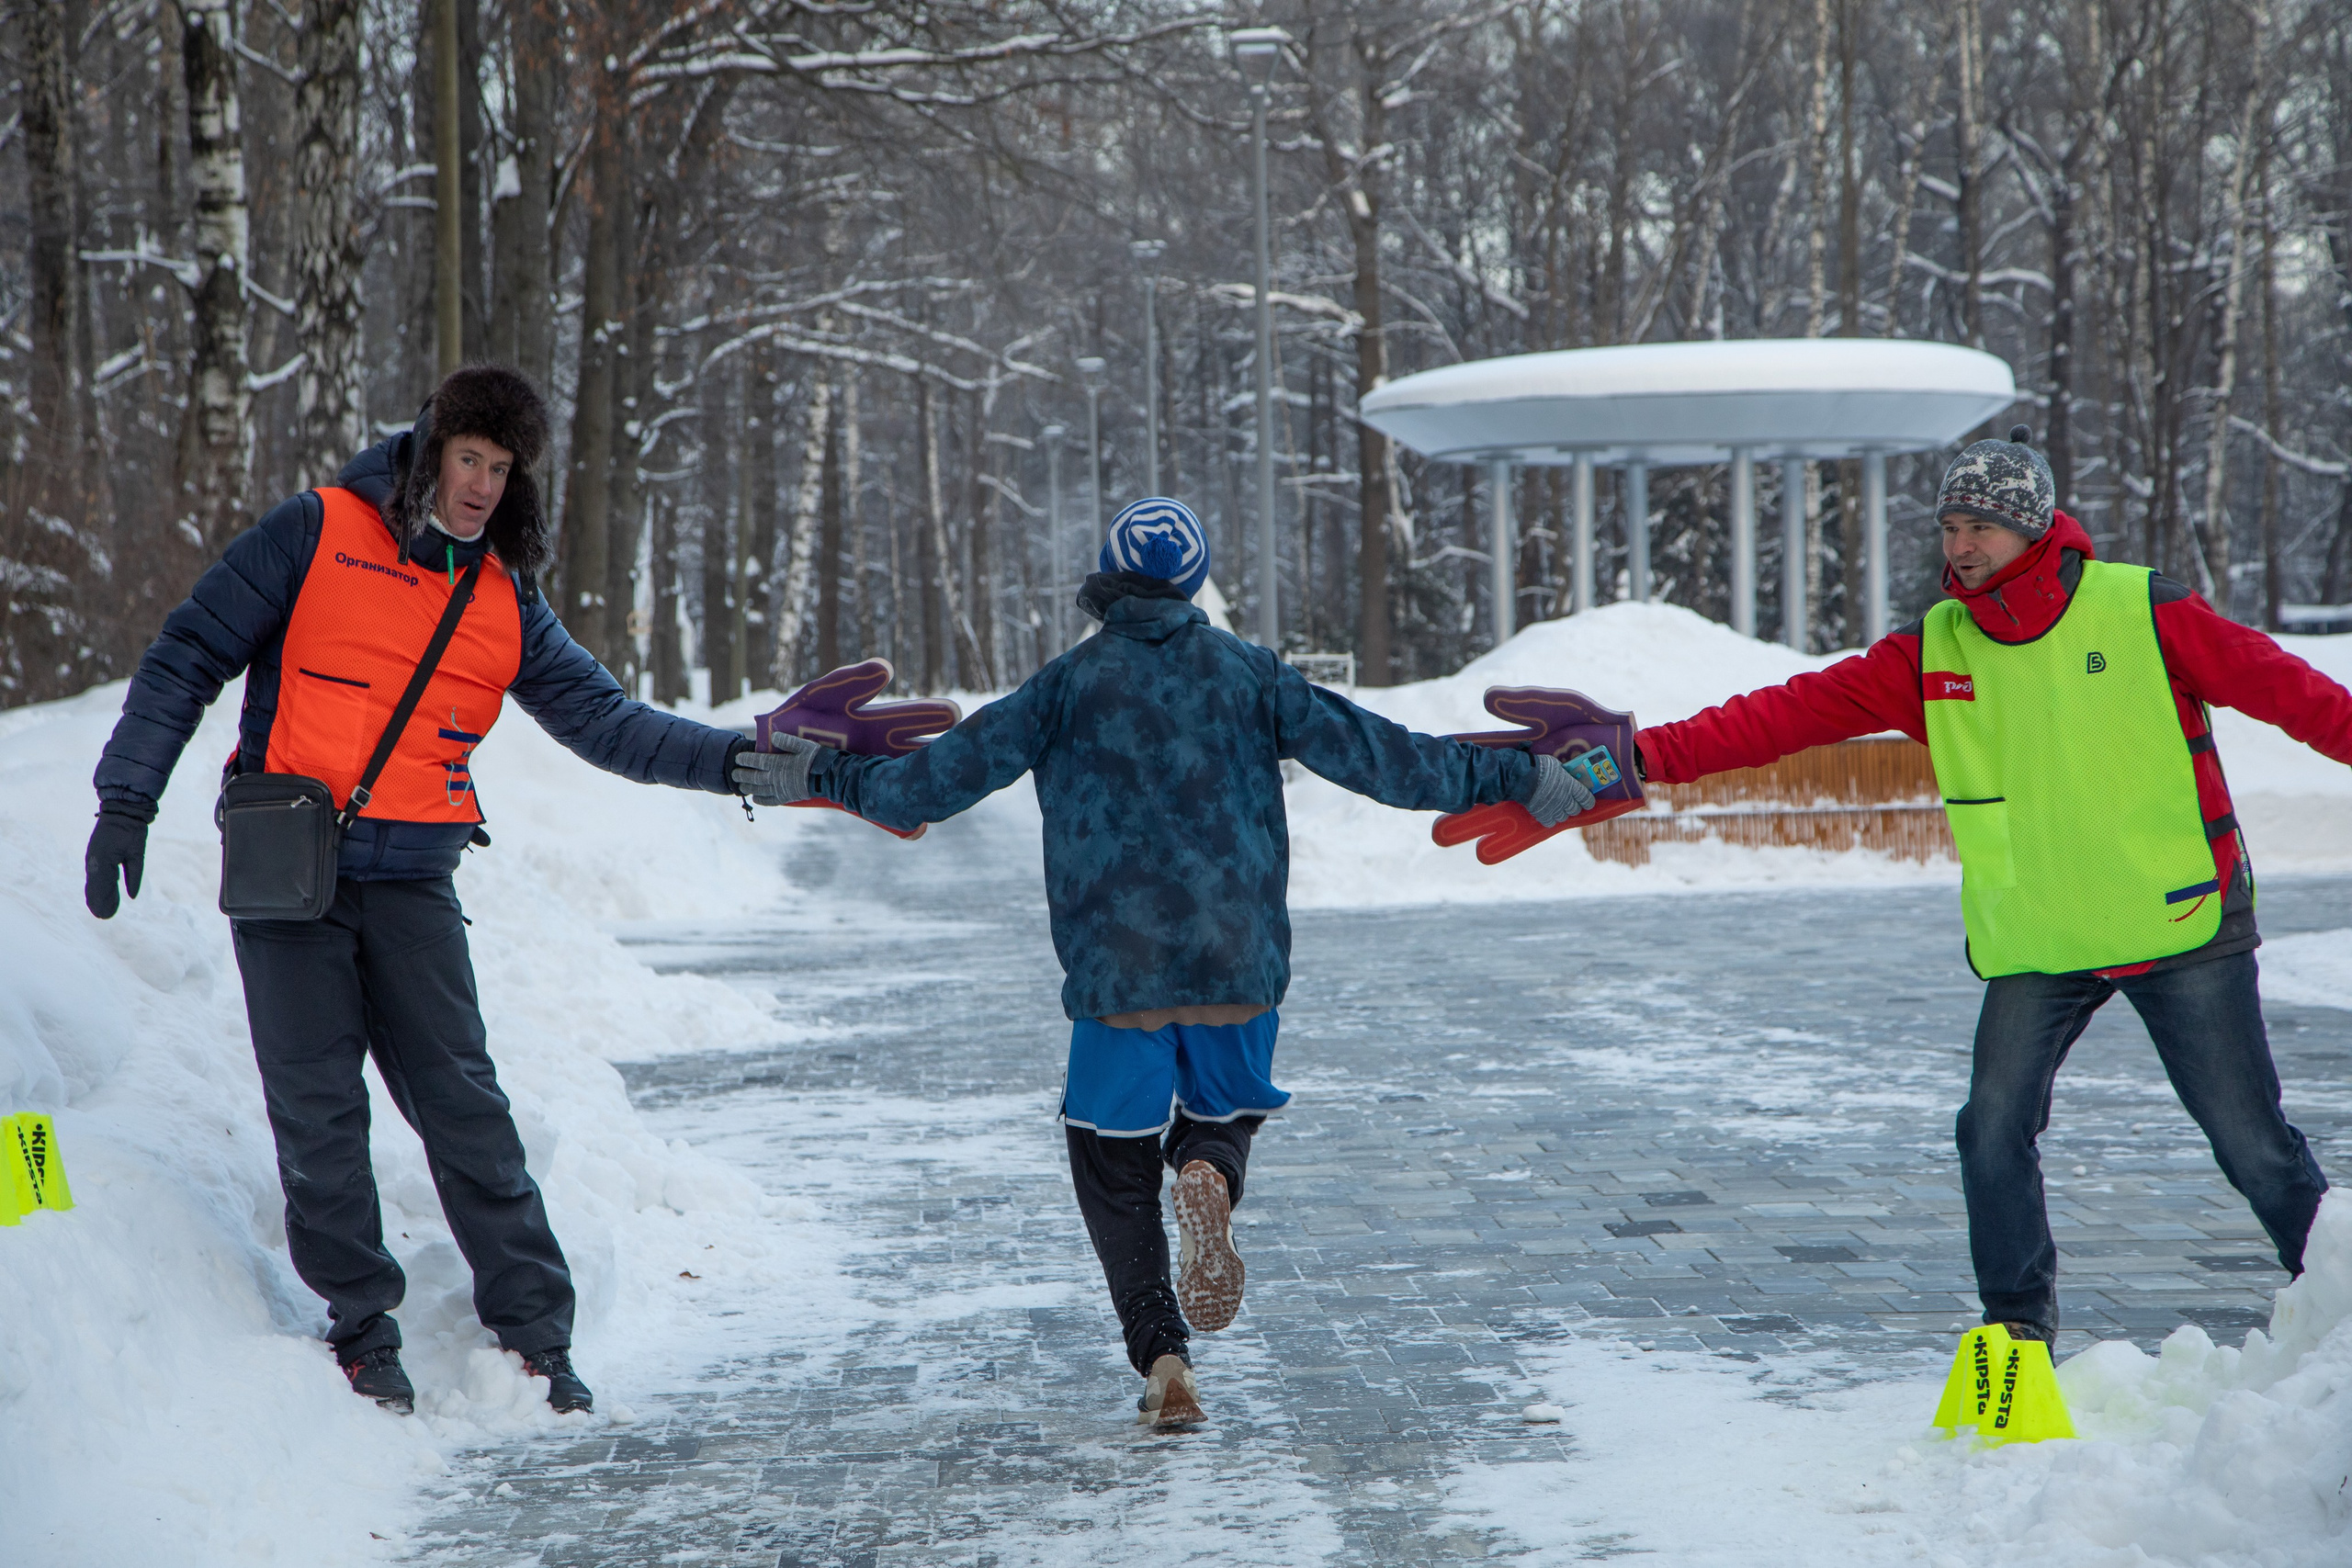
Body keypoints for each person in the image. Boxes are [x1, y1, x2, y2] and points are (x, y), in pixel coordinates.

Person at [730, 497, 1590, 1425]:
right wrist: (1522, 777)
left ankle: (1162, 1359)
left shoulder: (1064, 686)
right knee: (1225, 1114)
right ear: (1195, 582)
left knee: (1108, 1164)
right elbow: (1392, 763)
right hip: (1240, 968)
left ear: (1109, 578)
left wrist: (814, 773)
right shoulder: (1253, 675)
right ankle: (1210, 1172)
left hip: (1117, 976)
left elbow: (926, 786)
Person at [85, 366, 759, 1416]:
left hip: (411, 881)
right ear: (429, 449)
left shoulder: (502, 599)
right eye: (469, 459)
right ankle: (363, 1332)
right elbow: (188, 654)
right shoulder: (316, 531)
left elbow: (608, 721)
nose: (483, 485)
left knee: (468, 1112)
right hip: (288, 874)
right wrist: (127, 799)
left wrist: (736, 762)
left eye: (502, 468)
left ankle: (538, 1339)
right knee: (319, 1118)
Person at [1629, 426, 2343, 1345]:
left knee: (2251, 1144)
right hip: (2042, 936)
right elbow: (1778, 718)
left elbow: (2298, 697)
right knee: (1990, 1127)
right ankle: (2014, 1334)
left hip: (2178, 922)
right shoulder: (1934, 651)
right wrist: (1635, 760)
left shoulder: (2144, 610)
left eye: (1983, 526)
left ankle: (2337, 1298)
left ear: (2035, 529)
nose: (1961, 545)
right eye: (1950, 524)